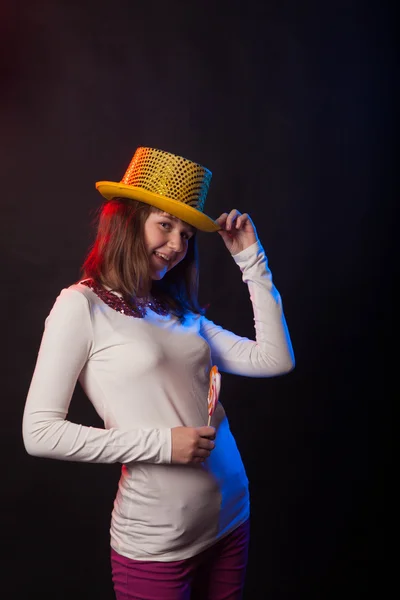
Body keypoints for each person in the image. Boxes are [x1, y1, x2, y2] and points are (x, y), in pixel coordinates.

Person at [22, 146, 295, 600]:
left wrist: (253, 262)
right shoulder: (80, 306)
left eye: (186, 235)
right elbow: (40, 433)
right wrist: (163, 443)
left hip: (232, 517)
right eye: (164, 225)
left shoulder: (178, 311)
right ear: (127, 221)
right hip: (157, 543)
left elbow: (275, 359)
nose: (176, 246)